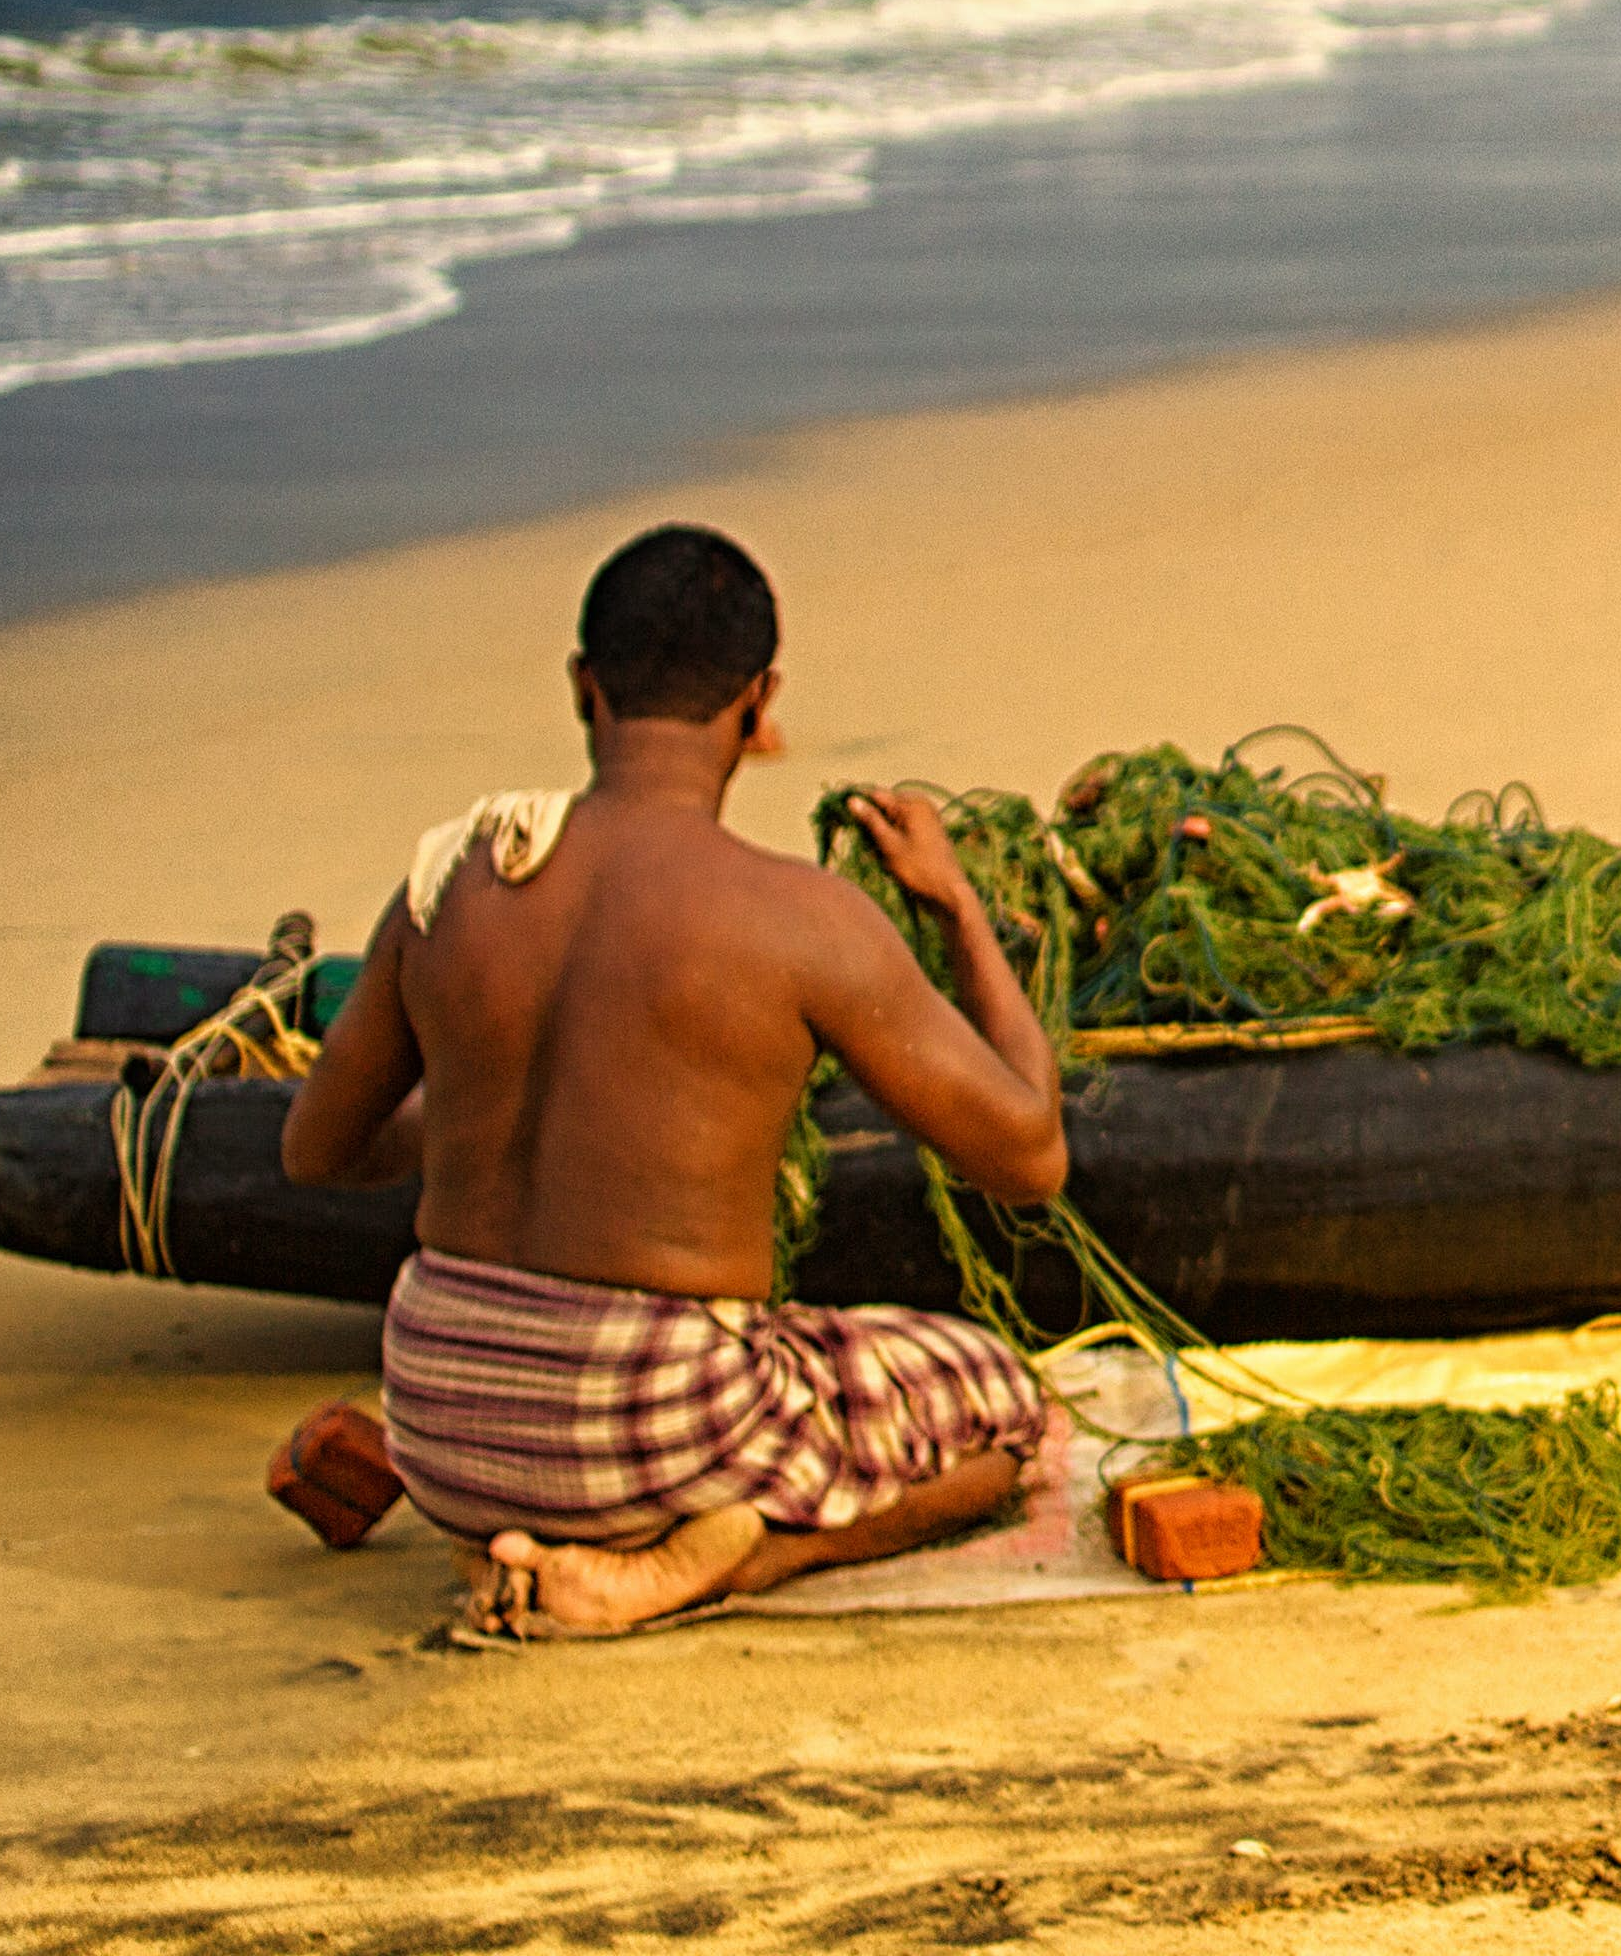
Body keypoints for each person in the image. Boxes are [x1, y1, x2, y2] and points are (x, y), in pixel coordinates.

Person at [280, 524, 1071, 1637]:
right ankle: (706, 1570)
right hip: (655, 1423)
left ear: (582, 689)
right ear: (759, 705)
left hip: (441, 1414)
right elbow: (1031, 1157)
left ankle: (520, 1538)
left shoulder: (456, 873)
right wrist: (956, 908)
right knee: (1011, 1417)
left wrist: (475, 1097)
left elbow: (315, 1148)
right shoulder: (799, 918)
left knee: (770, 1367)